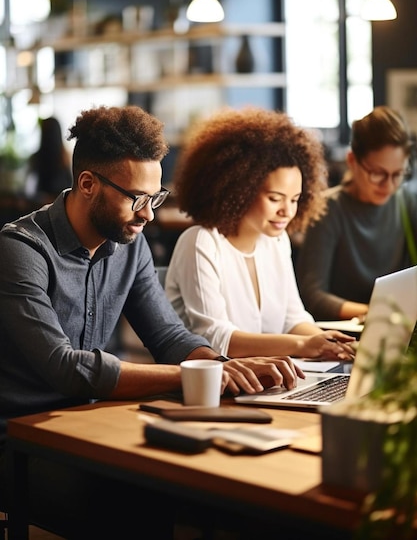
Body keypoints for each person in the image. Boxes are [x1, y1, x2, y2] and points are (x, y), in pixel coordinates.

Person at [0, 105, 303, 539]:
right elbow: (65, 368)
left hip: (88, 424)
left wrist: (222, 367)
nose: (149, 215)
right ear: (87, 184)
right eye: (137, 198)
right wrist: (195, 376)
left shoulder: (129, 244)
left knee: (208, 487)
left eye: (156, 198)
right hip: (19, 443)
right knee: (139, 500)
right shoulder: (21, 251)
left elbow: (167, 335)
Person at [165, 106, 355, 361]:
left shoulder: (276, 241)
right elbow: (215, 338)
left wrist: (326, 341)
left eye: (295, 199)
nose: (286, 211)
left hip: (265, 379)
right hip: (208, 388)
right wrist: (302, 345)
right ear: (240, 188)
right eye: (275, 198)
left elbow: (292, 319)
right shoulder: (202, 242)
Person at [295, 105, 417, 321]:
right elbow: (313, 295)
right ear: (352, 161)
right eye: (378, 174)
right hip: (345, 336)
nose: (388, 185)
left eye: (398, 174)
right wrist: (378, 314)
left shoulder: (406, 201)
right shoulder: (329, 209)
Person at [25, 115, 73, 203]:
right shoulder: (66, 157)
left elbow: (30, 188)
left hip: (40, 204)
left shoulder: (37, 157)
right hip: (63, 204)